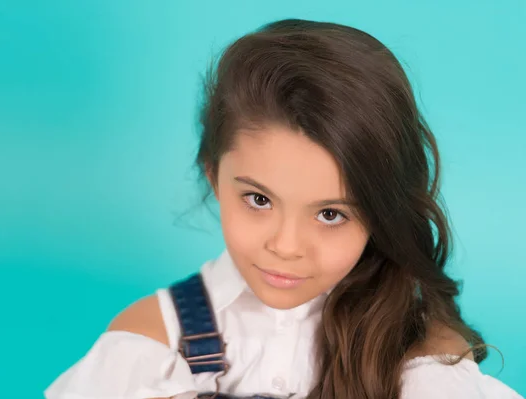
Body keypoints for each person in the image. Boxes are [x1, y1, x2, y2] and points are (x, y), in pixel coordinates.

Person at [44, 18, 523, 399]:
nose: (286, 246)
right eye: (259, 199)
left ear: (380, 212)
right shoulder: (150, 342)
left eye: (331, 214)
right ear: (214, 175)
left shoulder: (420, 355)